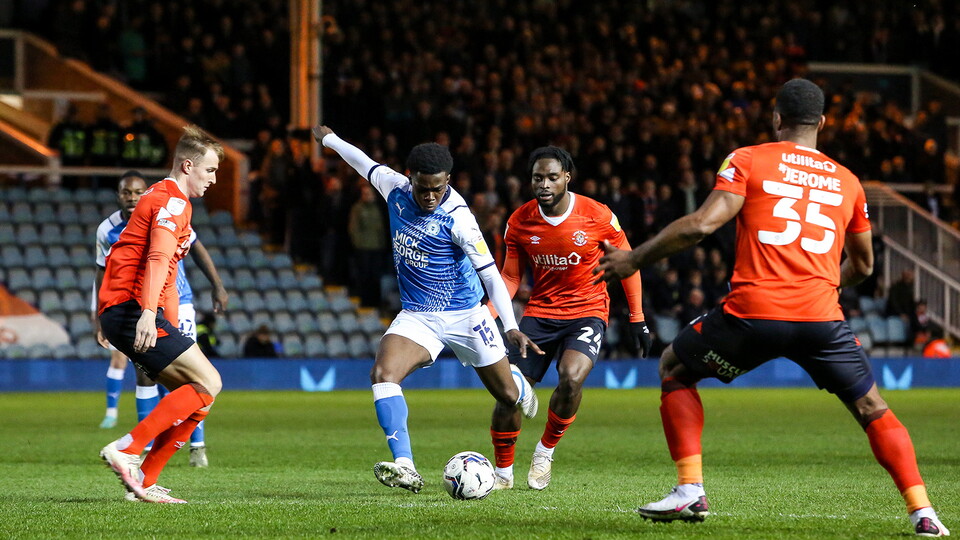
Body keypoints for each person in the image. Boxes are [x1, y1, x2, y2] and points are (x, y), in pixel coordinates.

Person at [593, 79, 949, 537]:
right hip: (821, 318)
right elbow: (863, 264)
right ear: (822, 123)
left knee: (675, 367)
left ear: (776, 118)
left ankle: (689, 489)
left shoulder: (748, 159)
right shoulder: (849, 182)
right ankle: (923, 512)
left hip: (753, 314)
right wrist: (820, 284)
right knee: (872, 407)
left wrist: (633, 259)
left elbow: (702, 225)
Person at [313, 124, 542, 494]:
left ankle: (516, 382)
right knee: (383, 373)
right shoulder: (394, 188)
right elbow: (362, 162)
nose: (431, 195)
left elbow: (490, 275)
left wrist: (510, 324)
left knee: (506, 396)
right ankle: (405, 465)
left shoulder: (459, 218)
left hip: (466, 315)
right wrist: (330, 140)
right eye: (423, 187)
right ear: (410, 177)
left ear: (448, 180)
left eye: (438, 187)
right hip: (418, 315)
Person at [488, 146, 650, 491]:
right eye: (537, 178)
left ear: (566, 178)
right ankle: (503, 472)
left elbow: (628, 262)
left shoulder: (597, 215)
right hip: (540, 314)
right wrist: (487, 314)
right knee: (508, 394)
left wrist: (637, 317)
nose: (543, 184)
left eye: (551, 177)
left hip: (587, 311)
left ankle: (545, 451)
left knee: (571, 378)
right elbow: (511, 278)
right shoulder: (519, 221)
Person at [97, 125, 224, 504]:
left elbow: (167, 274)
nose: (214, 179)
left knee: (200, 393)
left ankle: (144, 482)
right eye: (210, 170)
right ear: (188, 166)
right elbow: (156, 260)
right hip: (129, 308)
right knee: (210, 382)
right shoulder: (172, 202)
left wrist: (164, 319)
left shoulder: (164, 197)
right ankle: (128, 448)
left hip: (127, 309)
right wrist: (149, 314)